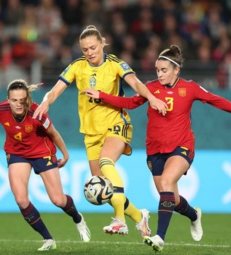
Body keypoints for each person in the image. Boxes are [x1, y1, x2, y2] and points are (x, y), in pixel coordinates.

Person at [82, 44, 231, 252]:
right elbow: (130, 103)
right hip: (155, 150)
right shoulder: (150, 88)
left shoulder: (190, 88)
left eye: (164, 70)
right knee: (171, 199)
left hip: (181, 146)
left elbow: (216, 100)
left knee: (167, 181)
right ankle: (194, 215)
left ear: (177, 70)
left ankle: (159, 237)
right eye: (157, 70)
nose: (160, 74)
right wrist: (101, 95)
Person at [33, 25, 168, 237]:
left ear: (102, 43)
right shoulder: (77, 66)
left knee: (106, 162)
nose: (90, 52)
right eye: (85, 49)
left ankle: (120, 220)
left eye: (93, 47)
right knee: (103, 186)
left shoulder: (115, 64)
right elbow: (55, 89)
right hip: (91, 132)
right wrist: (45, 102)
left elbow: (136, 83)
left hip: (116, 123)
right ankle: (138, 216)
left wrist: (152, 98)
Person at [0, 79, 91, 251]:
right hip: (17, 154)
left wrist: (65, 154)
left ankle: (78, 218)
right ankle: (48, 239)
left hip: (43, 153)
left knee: (58, 199)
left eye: (22, 100)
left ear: (27, 98)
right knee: (21, 199)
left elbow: (54, 134)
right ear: (8, 99)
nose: (18, 105)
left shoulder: (38, 113)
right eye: (14, 100)